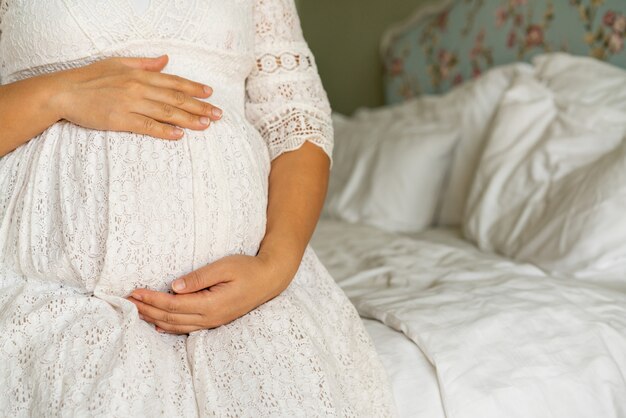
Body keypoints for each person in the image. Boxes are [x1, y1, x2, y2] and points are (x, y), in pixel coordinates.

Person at [0, 0, 395, 416]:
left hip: (249, 302)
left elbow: (296, 118)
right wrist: (57, 94)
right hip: (47, 289)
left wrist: (276, 265)